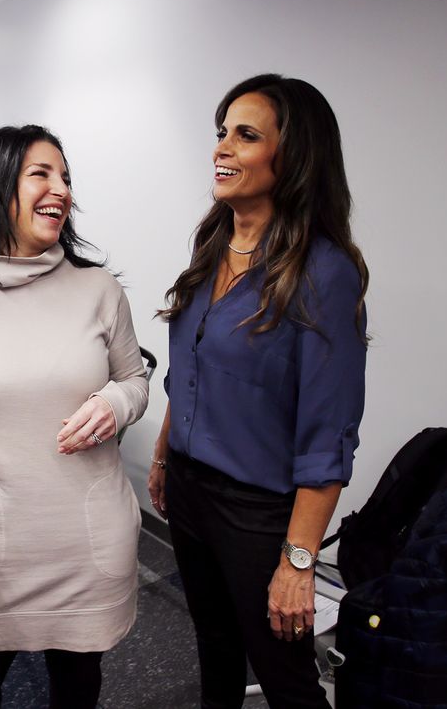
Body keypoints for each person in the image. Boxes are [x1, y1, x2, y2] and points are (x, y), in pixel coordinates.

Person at [150, 74, 368, 708]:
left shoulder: (323, 271)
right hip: (190, 488)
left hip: (257, 510)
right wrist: (165, 454)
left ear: (292, 156)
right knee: (214, 648)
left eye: (246, 135)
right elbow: (191, 373)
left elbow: (328, 434)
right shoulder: (212, 243)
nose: (223, 147)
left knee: (285, 675)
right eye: (222, 132)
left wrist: (298, 563)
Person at [0, 124, 149, 708]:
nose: (61, 189)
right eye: (41, 174)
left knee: (75, 690)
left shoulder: (98, 290)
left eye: (65, 176)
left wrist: (115, 404)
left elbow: (135, 380)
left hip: (85, 542)